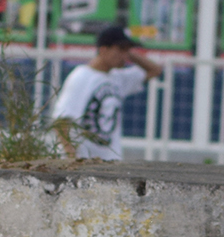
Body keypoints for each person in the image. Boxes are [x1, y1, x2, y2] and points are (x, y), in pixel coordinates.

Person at [51, 24, 162, 162]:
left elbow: (155, 70)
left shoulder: (118, 77)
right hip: (85, 160)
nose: (124, 56)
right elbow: (61, 121)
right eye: (120, 49)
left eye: (127, 50)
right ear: (103, 50)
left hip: (111, 159)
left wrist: (130, 54)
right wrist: (72, 156)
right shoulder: (81, 76)